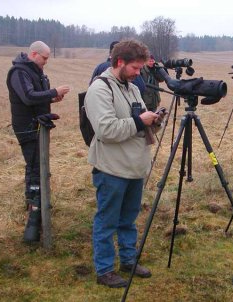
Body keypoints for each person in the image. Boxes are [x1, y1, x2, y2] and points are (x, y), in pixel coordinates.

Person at [85, 39, 166, 288]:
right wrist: (141, 121)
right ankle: (105, 270)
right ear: (119, 62)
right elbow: (106, 130)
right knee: (107, 221)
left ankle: (129, 261)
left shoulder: (131, 87)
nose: (138, 73)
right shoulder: (100, 90)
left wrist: (154, 120)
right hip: (111, 169)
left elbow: (138, 118)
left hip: (134, 167)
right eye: (135, 68)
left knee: (128, 220)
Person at [6, 40, 70, 243]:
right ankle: (33, 219)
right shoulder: (19, 72)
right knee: (35, 169)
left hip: (40, 126)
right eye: (45, 58)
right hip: (27, 127)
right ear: (34, 54)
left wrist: (51, 100)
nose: (46, 62)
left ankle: (37, 209)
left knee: (38, 167)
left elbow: (37, 97)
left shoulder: (36, 72)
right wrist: (53, 92)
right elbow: (28, 97)